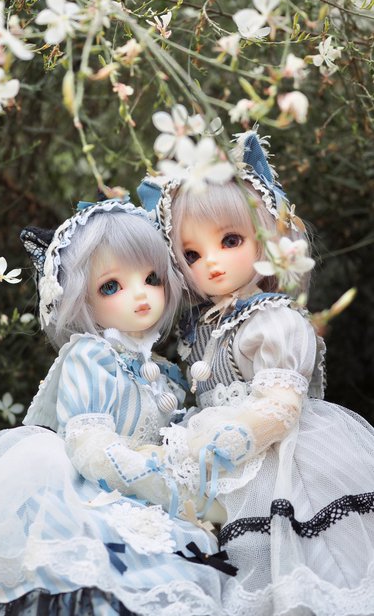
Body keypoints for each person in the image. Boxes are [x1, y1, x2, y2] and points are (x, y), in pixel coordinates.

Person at [0, 198, 227, 616]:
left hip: (145, 497)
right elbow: (91, 448)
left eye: (152, 278)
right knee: (91, 580)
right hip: (90, 492)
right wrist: (164, 479)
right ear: (81, 300)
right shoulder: (92, 357)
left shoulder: (163, 373)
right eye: (111, 286)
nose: (141, 294)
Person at [138, 130, 374, 616]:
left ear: (267, 237)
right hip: (227, 476)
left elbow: (279, 409)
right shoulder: (202, 327)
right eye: (192, 255)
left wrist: (209, 446)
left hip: (287, 466)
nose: (212, 263)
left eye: (230, 240)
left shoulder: (273, 321)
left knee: (308, 571)